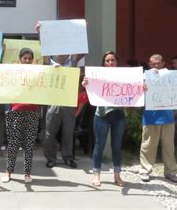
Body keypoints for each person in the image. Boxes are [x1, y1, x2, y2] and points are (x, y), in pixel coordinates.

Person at [36, 22, 82, 169]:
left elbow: (80, 45)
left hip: (68, 103)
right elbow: (44, 47)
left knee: (68, 132)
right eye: (58, 51)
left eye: (64, 50)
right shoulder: (48, 63)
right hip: (52, 103)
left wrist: (83, 30)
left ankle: (68, 157)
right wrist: (39, 32)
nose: (61, 53)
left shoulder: (72, 62)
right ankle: (50, 157)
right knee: (49, 133)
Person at [82, 51, 126, 187]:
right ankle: (96, 175)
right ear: (103, 63)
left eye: (113, 60)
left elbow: (133, 89)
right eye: (107, 61)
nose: (110, 63)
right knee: (99, 145)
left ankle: (117, 176)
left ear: (117, 62)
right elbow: (89, 89)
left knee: (117, 147)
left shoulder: (124, 76)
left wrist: (141, 89)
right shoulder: (97, 75)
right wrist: (85, 84)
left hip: (118, 114)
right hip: (101, 115)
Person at [1, 48, 40, 184]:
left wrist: (57, 69)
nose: (27, 61)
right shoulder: (13, 73)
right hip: (16, 111)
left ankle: (27, 173)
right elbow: (0, 76)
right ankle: (8, 172)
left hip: (33, 112)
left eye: (30, 58)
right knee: (13, 143)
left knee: (29, 144)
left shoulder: (38, 74)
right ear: (20, 59)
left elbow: (49, 78)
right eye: (25, 58)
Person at [139, 54, 177, 183]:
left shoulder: (170, 76)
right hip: (150, 116)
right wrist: (142, 87)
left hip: (167, 117)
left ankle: (171, 172)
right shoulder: (144, 77)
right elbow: (135, 93)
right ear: (149, 64)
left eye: (158, 63)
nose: (156, 66)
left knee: (169, 147)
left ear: (163, 63)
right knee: (148, 146)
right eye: (153, 64)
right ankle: (145, 171)